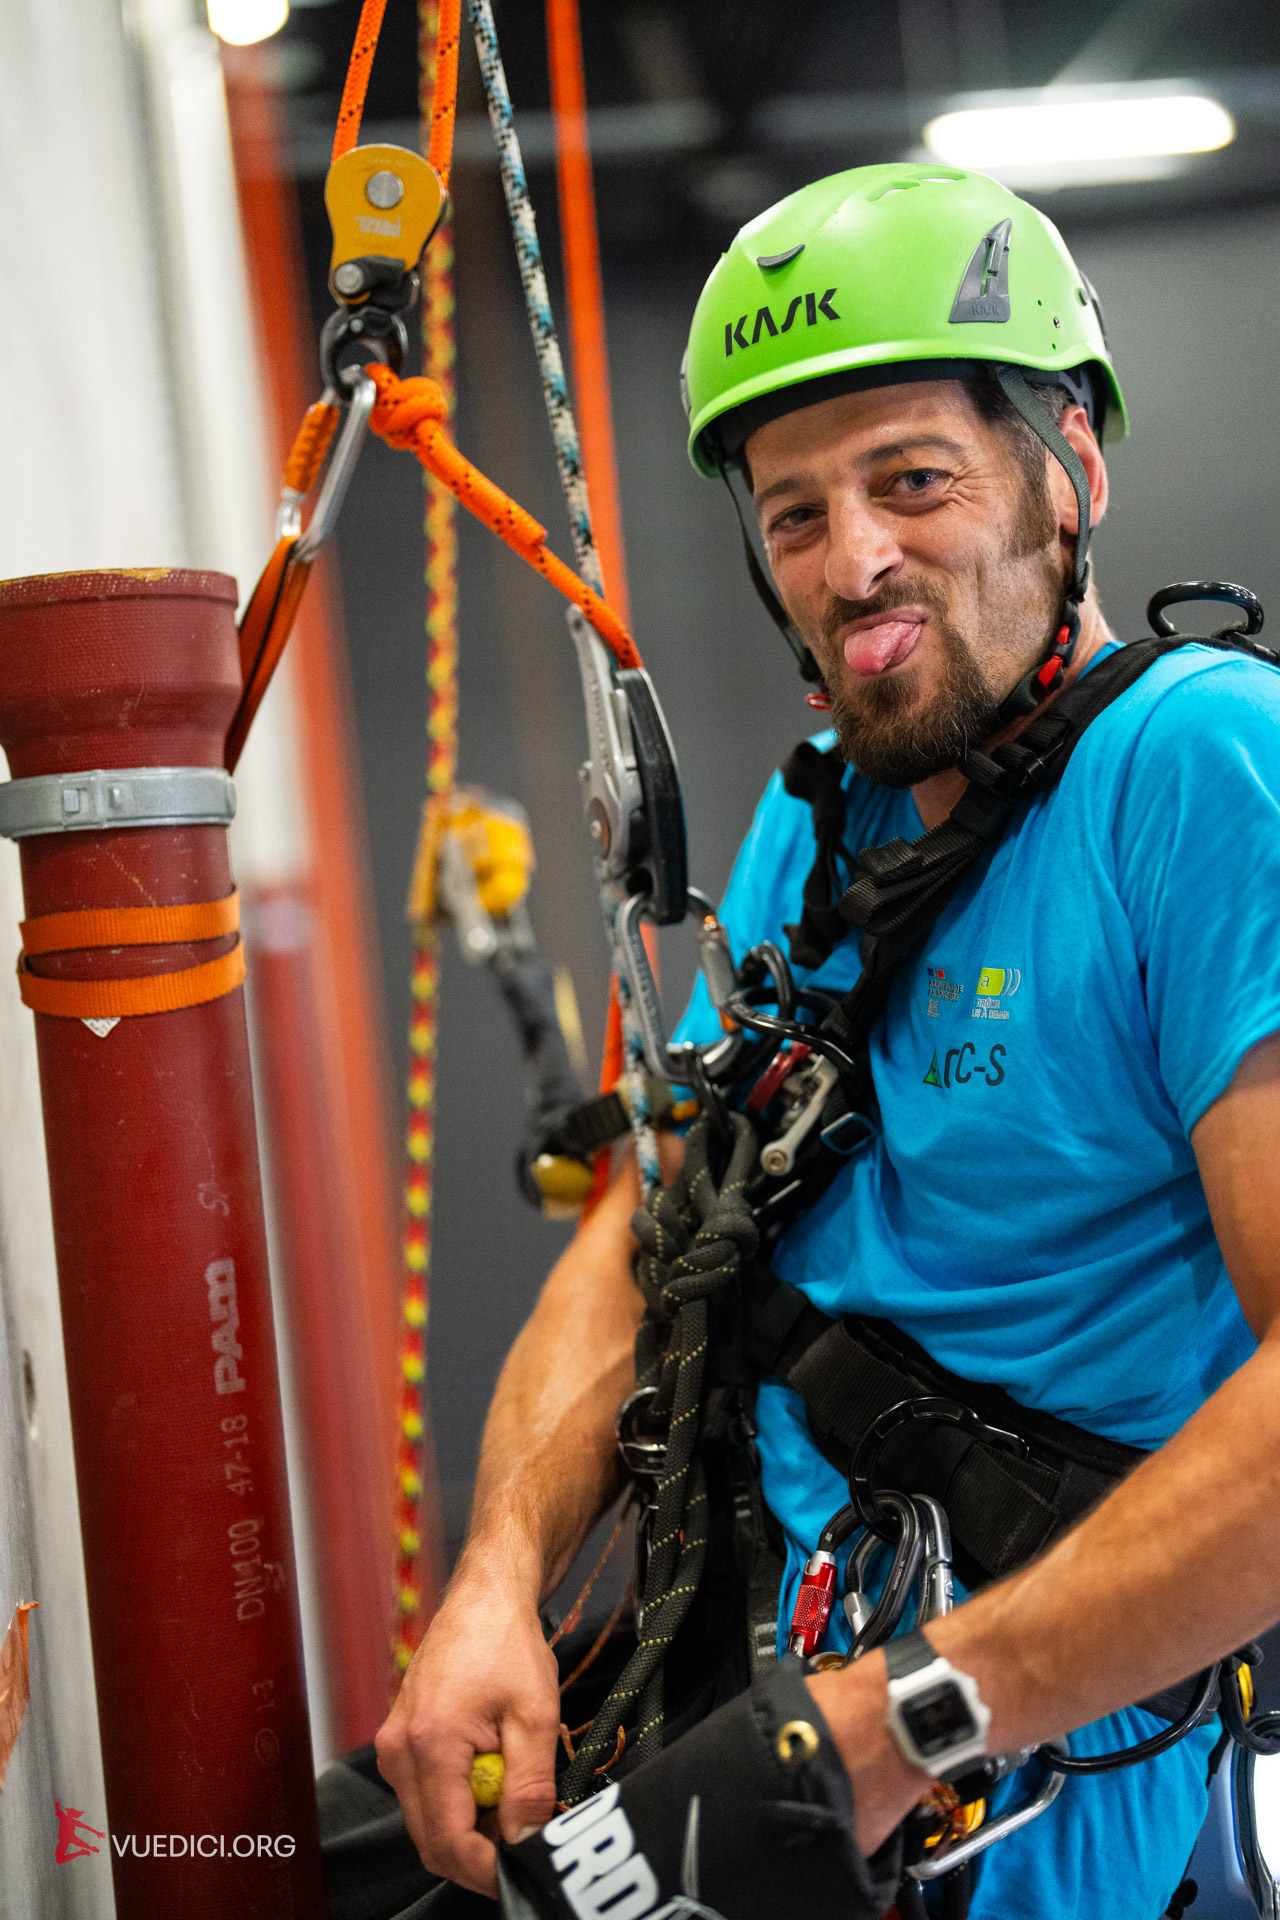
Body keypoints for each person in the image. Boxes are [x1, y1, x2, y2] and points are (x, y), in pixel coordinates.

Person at [367, 163, 1280, 1919]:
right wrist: (496, 1580)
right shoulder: (827, 821)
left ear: (1070, 470)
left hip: (1004, 1780)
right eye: (795, 514)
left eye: (913, 480)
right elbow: (650, 1227)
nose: (853, 560)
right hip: (750, 1667)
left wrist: (896, 1723)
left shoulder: (1200, 777)